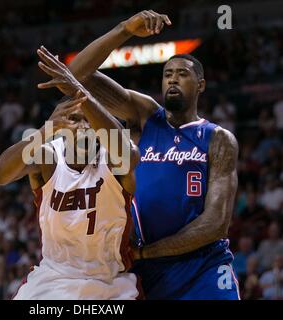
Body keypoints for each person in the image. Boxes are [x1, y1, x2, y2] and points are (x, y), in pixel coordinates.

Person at [38, 9, 239, 299]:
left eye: (182, 74)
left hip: (204, 267)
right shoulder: (145, 116)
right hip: (144, 271)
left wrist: (146, 252)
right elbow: (70, 77)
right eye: (168, 74)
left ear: (201, 85)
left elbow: (215, 224)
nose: (172, 79)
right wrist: (124, 29)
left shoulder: (218, 139)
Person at [0, 49, 140, 299]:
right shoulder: (49, 157)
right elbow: (0, 176)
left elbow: (129, 156)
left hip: (110, 282)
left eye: (88, 119)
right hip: (54, 279)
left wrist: (78, 90)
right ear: (59, 125)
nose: (82, 126)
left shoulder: (113, 158)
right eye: (73, 119)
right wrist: (44, 130)